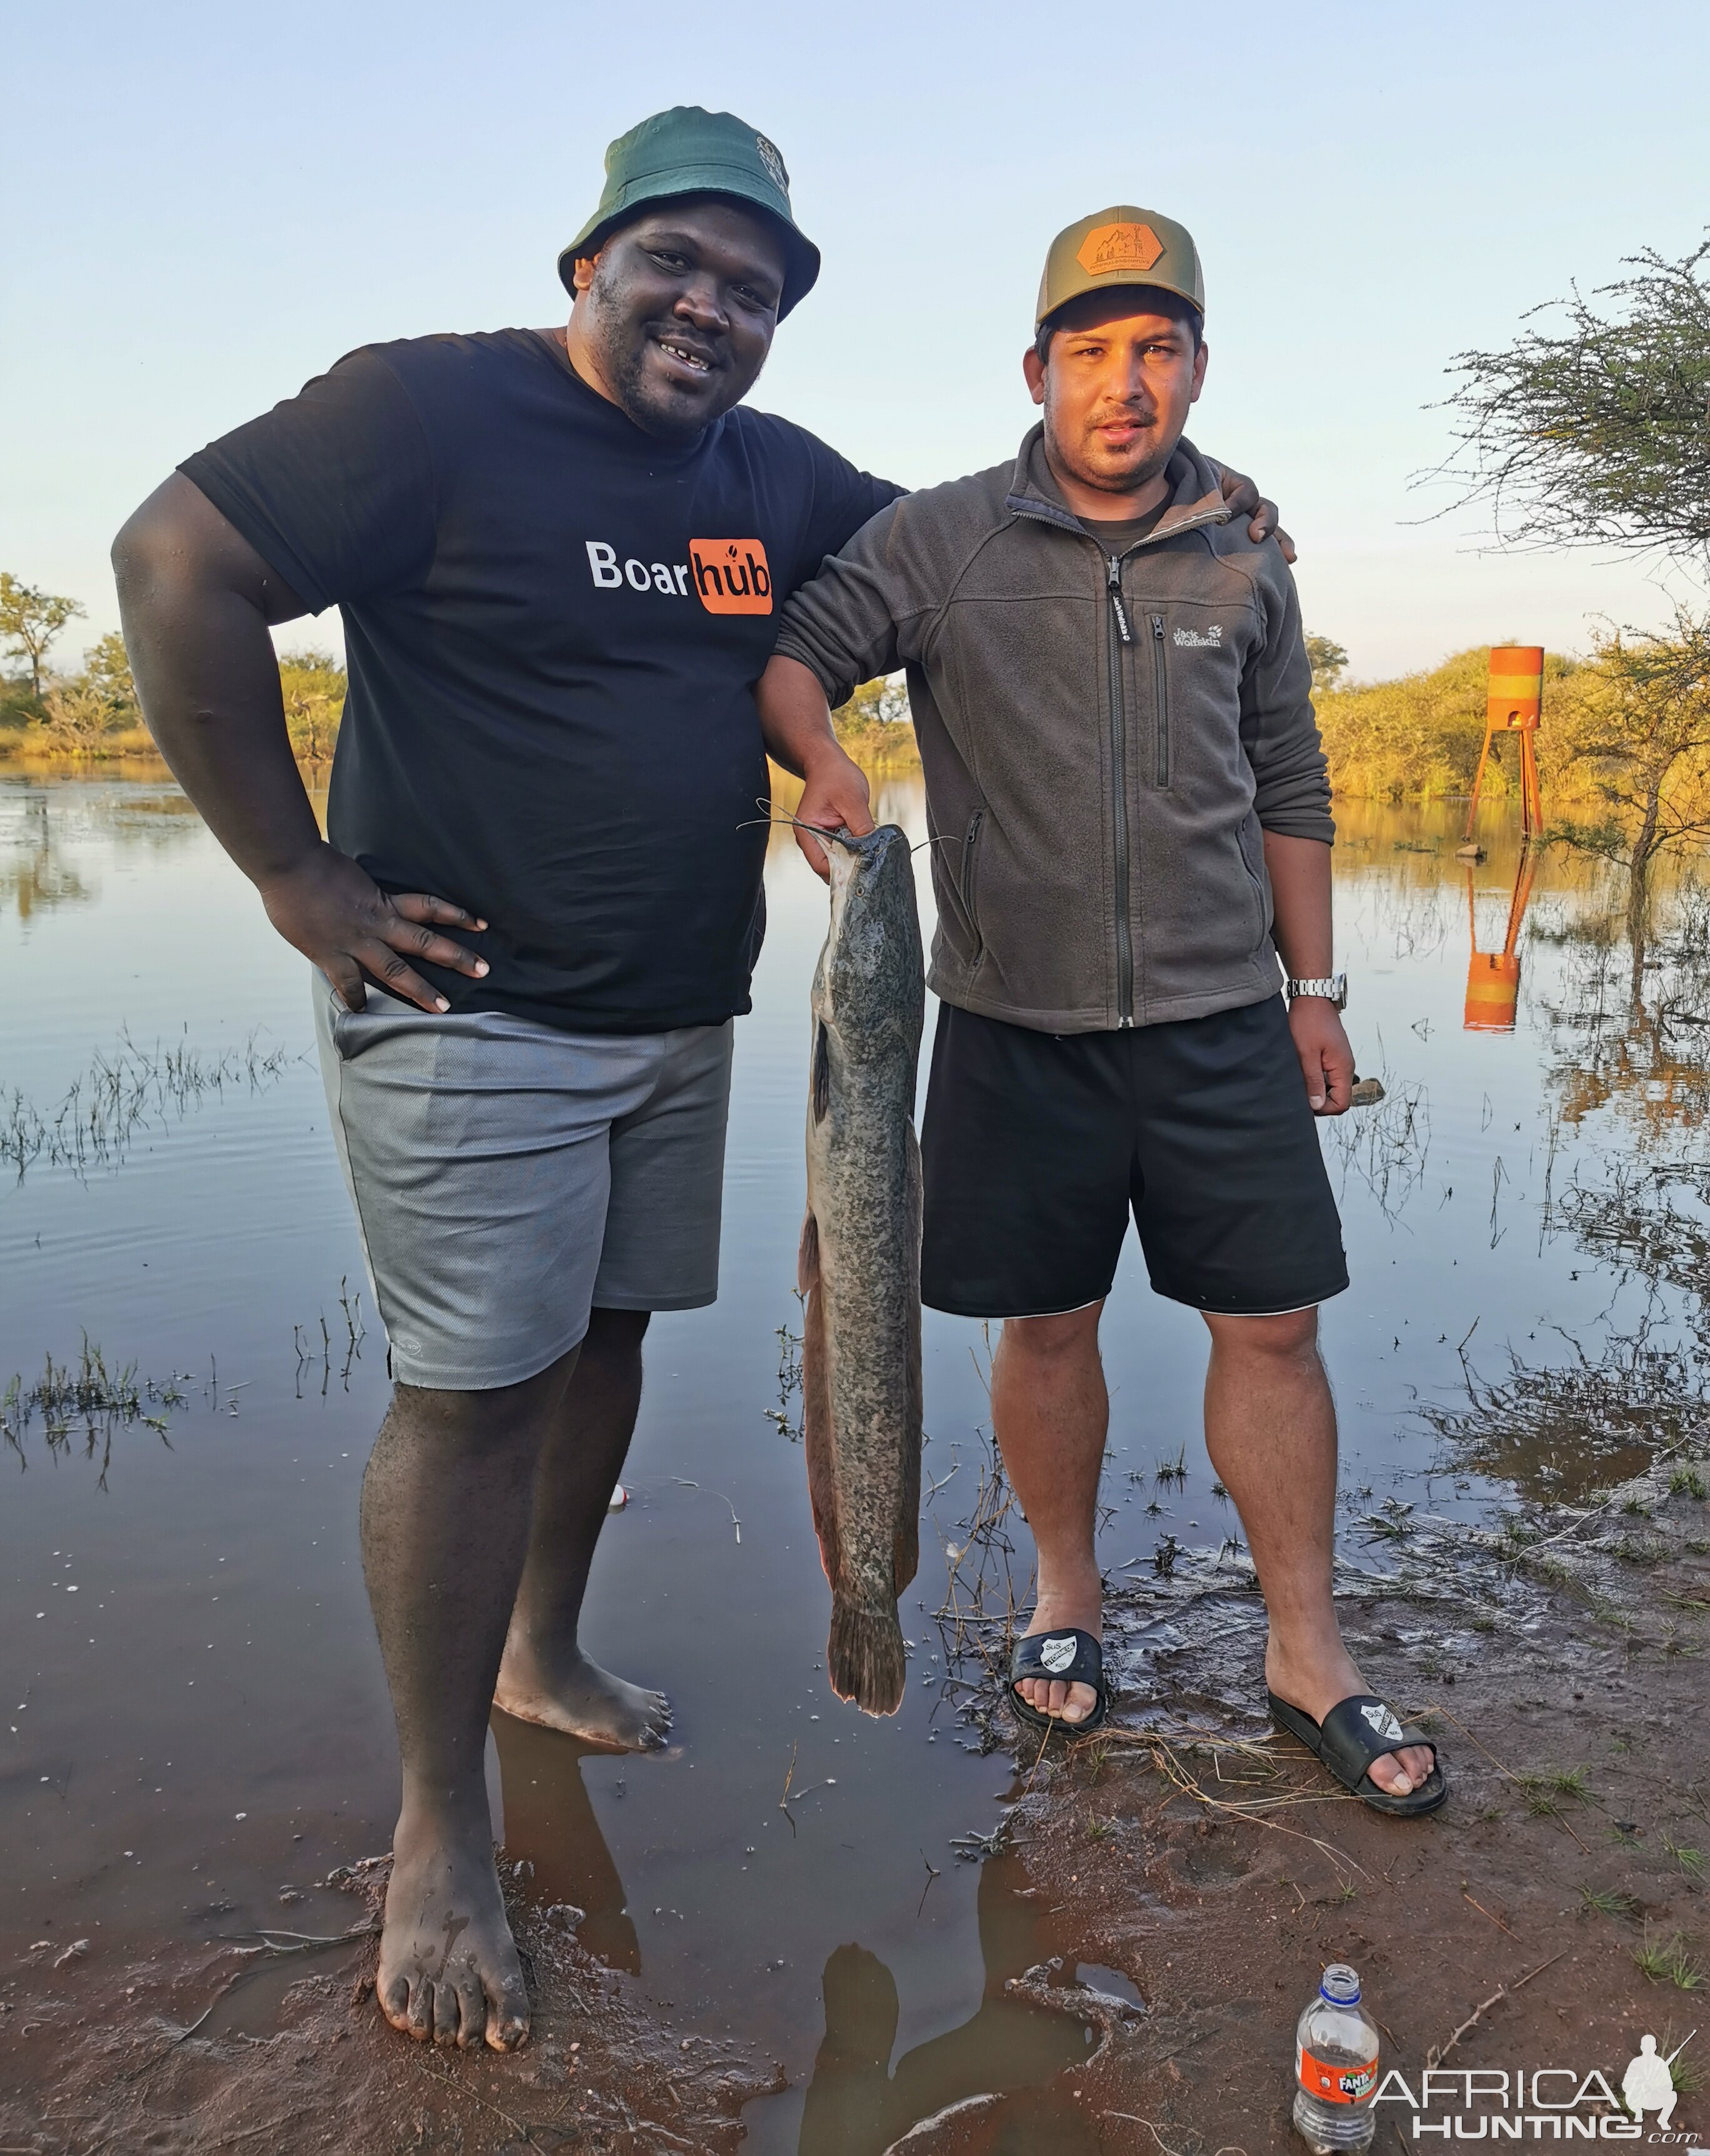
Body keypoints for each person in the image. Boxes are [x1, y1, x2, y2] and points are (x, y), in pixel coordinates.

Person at [112, 119, 1287, 2056]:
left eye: (754, 288)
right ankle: (439, 1830)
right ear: (591, 261)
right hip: (468, 1011)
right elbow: (175, 559)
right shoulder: (424, 413)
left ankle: (542, 1650)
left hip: (679, 1016)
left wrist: (1190, 491)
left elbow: (980, 541)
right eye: (678, 261)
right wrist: (293, 873)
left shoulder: (768, 475)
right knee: (469, 1391)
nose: (711, 308)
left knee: (608, 1346)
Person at [759, 206, 1447, 1817]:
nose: (1123, 381)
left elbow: (1291, 776)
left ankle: (1306, 1649)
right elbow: (799, 656)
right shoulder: (943, 540)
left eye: (1156, 349)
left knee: (1275, 1328)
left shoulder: (1248, 550)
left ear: (1197, 367)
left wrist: (1316, 991)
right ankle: (1067, 1599)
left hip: (1222, 1020)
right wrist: (832, 758)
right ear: (1038, 367)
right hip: (1011, 1021)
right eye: (1092, 350)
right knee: (1045, 1323)